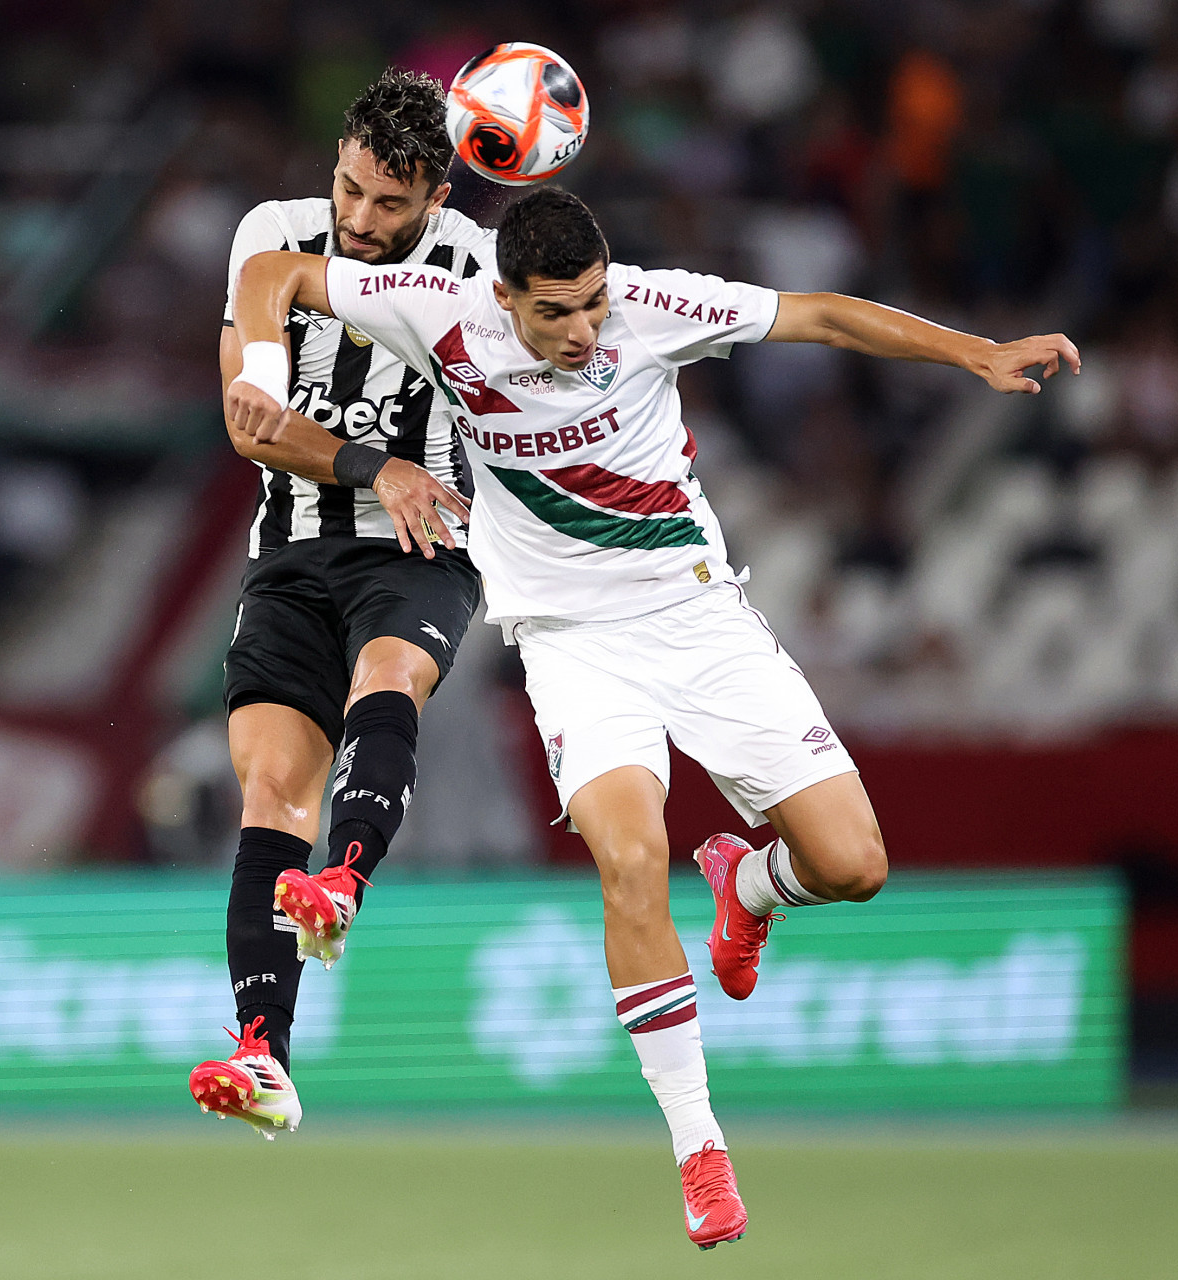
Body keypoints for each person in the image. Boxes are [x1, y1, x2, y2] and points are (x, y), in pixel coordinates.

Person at [227, 187, 1079, 1247]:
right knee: (629, 859)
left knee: (855, 863)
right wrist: (263, 374)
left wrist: (974, 354)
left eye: (591, 304)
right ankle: (699, 1146)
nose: (584, 331)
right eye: (556, 314)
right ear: (504, 298)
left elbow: (818, 313)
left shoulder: (651, 305)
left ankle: (748, 879)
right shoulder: (440, 311)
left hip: (697, 615)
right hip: (572, 647)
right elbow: (278, 276)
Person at [187, 71, 492, 1139]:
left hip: (421, 548)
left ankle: (346, 880)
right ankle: (263, 1052)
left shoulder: (482, 276)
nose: (361, 221)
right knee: (271, 786)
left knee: (389, 673)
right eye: (350, 191)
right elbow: (248, 418)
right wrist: (378, 465)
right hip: (292, 552)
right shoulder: (272, 236)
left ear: (438, 199)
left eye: (389, 206)